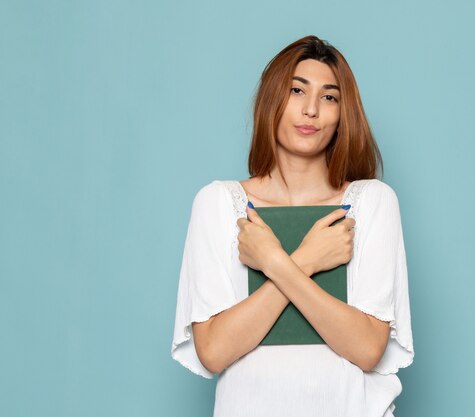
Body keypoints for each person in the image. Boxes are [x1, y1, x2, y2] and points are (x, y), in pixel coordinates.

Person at [171, 35, 414, 417]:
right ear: (272, 101)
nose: (312, 109)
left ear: (341, 115)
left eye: (329, 97)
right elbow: (214, 351)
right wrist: (307, 259)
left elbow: (367, 348)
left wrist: (275, 260)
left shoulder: (371, 203)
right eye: (297, 90)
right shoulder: (219, 204)